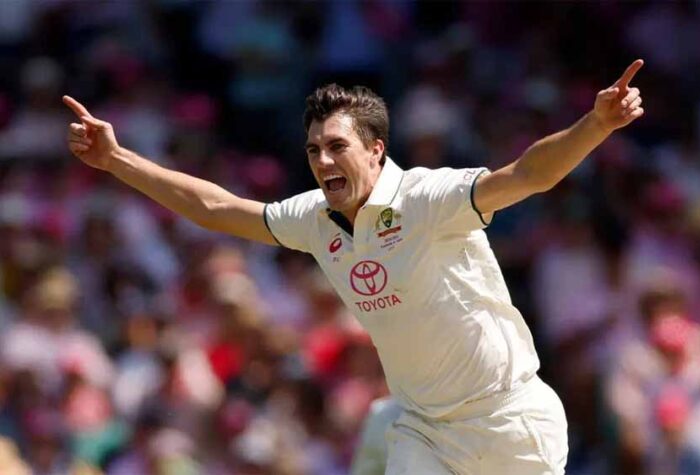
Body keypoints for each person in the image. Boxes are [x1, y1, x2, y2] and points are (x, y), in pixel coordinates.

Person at [63, 59, 645, 474]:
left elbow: (528, 175)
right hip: (425, 430)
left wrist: (596, 124)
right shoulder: (313, 217)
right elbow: (216, 209)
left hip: (509, 420)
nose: (322, 161)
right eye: (313, 149)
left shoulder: (428, 198)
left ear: (375, 150)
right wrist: (117, 160)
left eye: (337, 146)